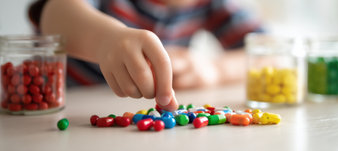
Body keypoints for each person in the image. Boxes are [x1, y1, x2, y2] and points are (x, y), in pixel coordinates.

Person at [28, 0, 263, 111]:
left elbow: (267, 50)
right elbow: (54, 13)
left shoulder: (211, 4)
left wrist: (214, 70)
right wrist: (106, 39)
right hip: (54, 107)